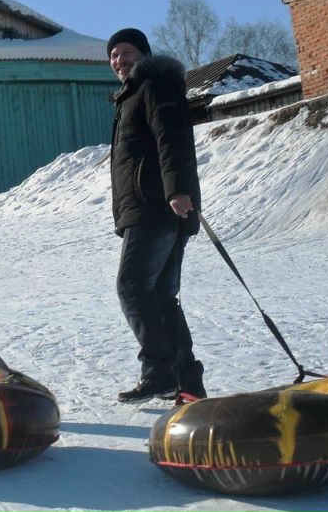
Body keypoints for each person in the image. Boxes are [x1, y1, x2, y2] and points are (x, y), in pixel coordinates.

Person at [107, 28, 207, 403]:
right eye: (114, 55)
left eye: (127, 52)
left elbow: (173, 137)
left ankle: (159, 371)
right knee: (162, 296)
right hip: (155, 206)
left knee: (132, 286)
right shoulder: (131, 96)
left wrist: (177, 189)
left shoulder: (153, 86)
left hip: (154, 207)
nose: (120, 60)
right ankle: (187, 383)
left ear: (144, 54)